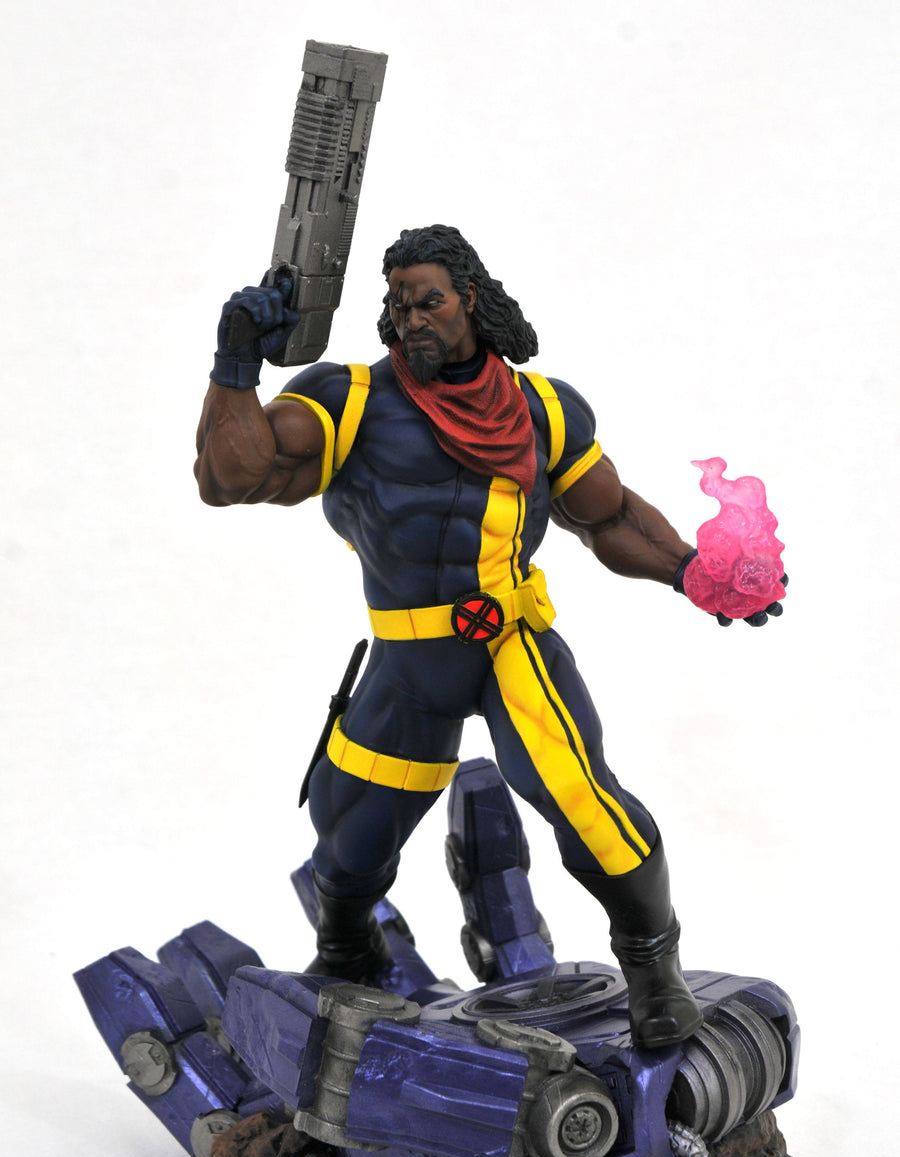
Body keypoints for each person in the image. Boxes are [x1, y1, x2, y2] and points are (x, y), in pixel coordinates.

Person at [196, 224, 712, 1048]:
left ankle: (654, 969)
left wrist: (692, 572)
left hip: (510, 643)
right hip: (411, 654)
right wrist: (235, 366)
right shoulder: (351, 401)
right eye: (399, 305)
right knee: (350, 831)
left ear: (469, 298)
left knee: (585, 800)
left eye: (428, 301)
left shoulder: (545, 410)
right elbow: (232, 477)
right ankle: (349, 952)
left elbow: (608, 515)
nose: (412, 319)